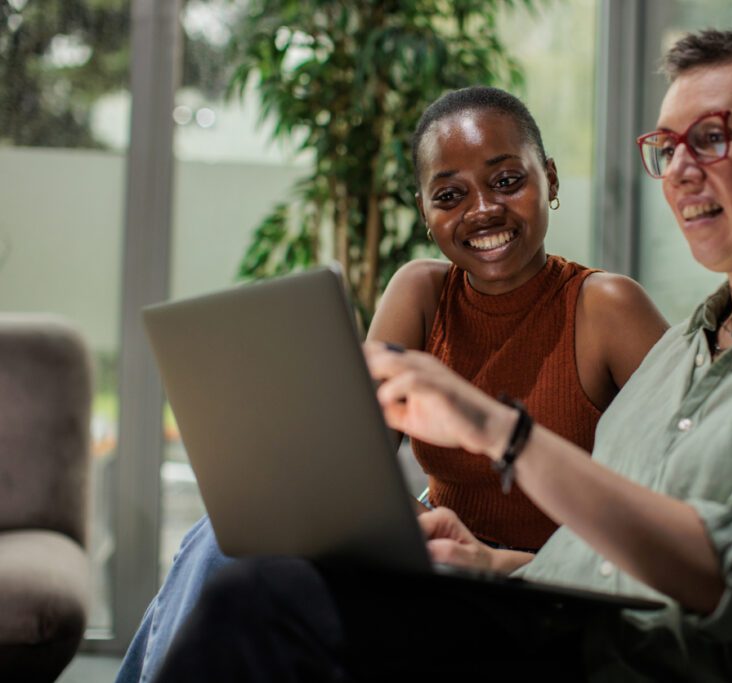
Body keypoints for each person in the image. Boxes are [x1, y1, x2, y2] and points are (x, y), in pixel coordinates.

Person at [153, 30, 732, 682]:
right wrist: (485, 561)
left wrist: (498, 429)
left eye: (709, 138)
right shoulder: (684, 352)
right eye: (666, 146)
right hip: (547, 624)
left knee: (263, 600)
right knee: (247, 564)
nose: (679, 170)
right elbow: (597, 566)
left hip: (615, 659)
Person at [114, 86, 668, 682]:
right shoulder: (421, 293)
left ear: (550, 180)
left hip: (546, 590)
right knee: (225, 540)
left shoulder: (606, 307)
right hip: (438, 570)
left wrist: (493, 561)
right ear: (426, 211)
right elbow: (356, 474)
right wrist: (411, 530)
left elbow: (671, 513)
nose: (481, 210)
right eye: (450, 195)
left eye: (507, 181)